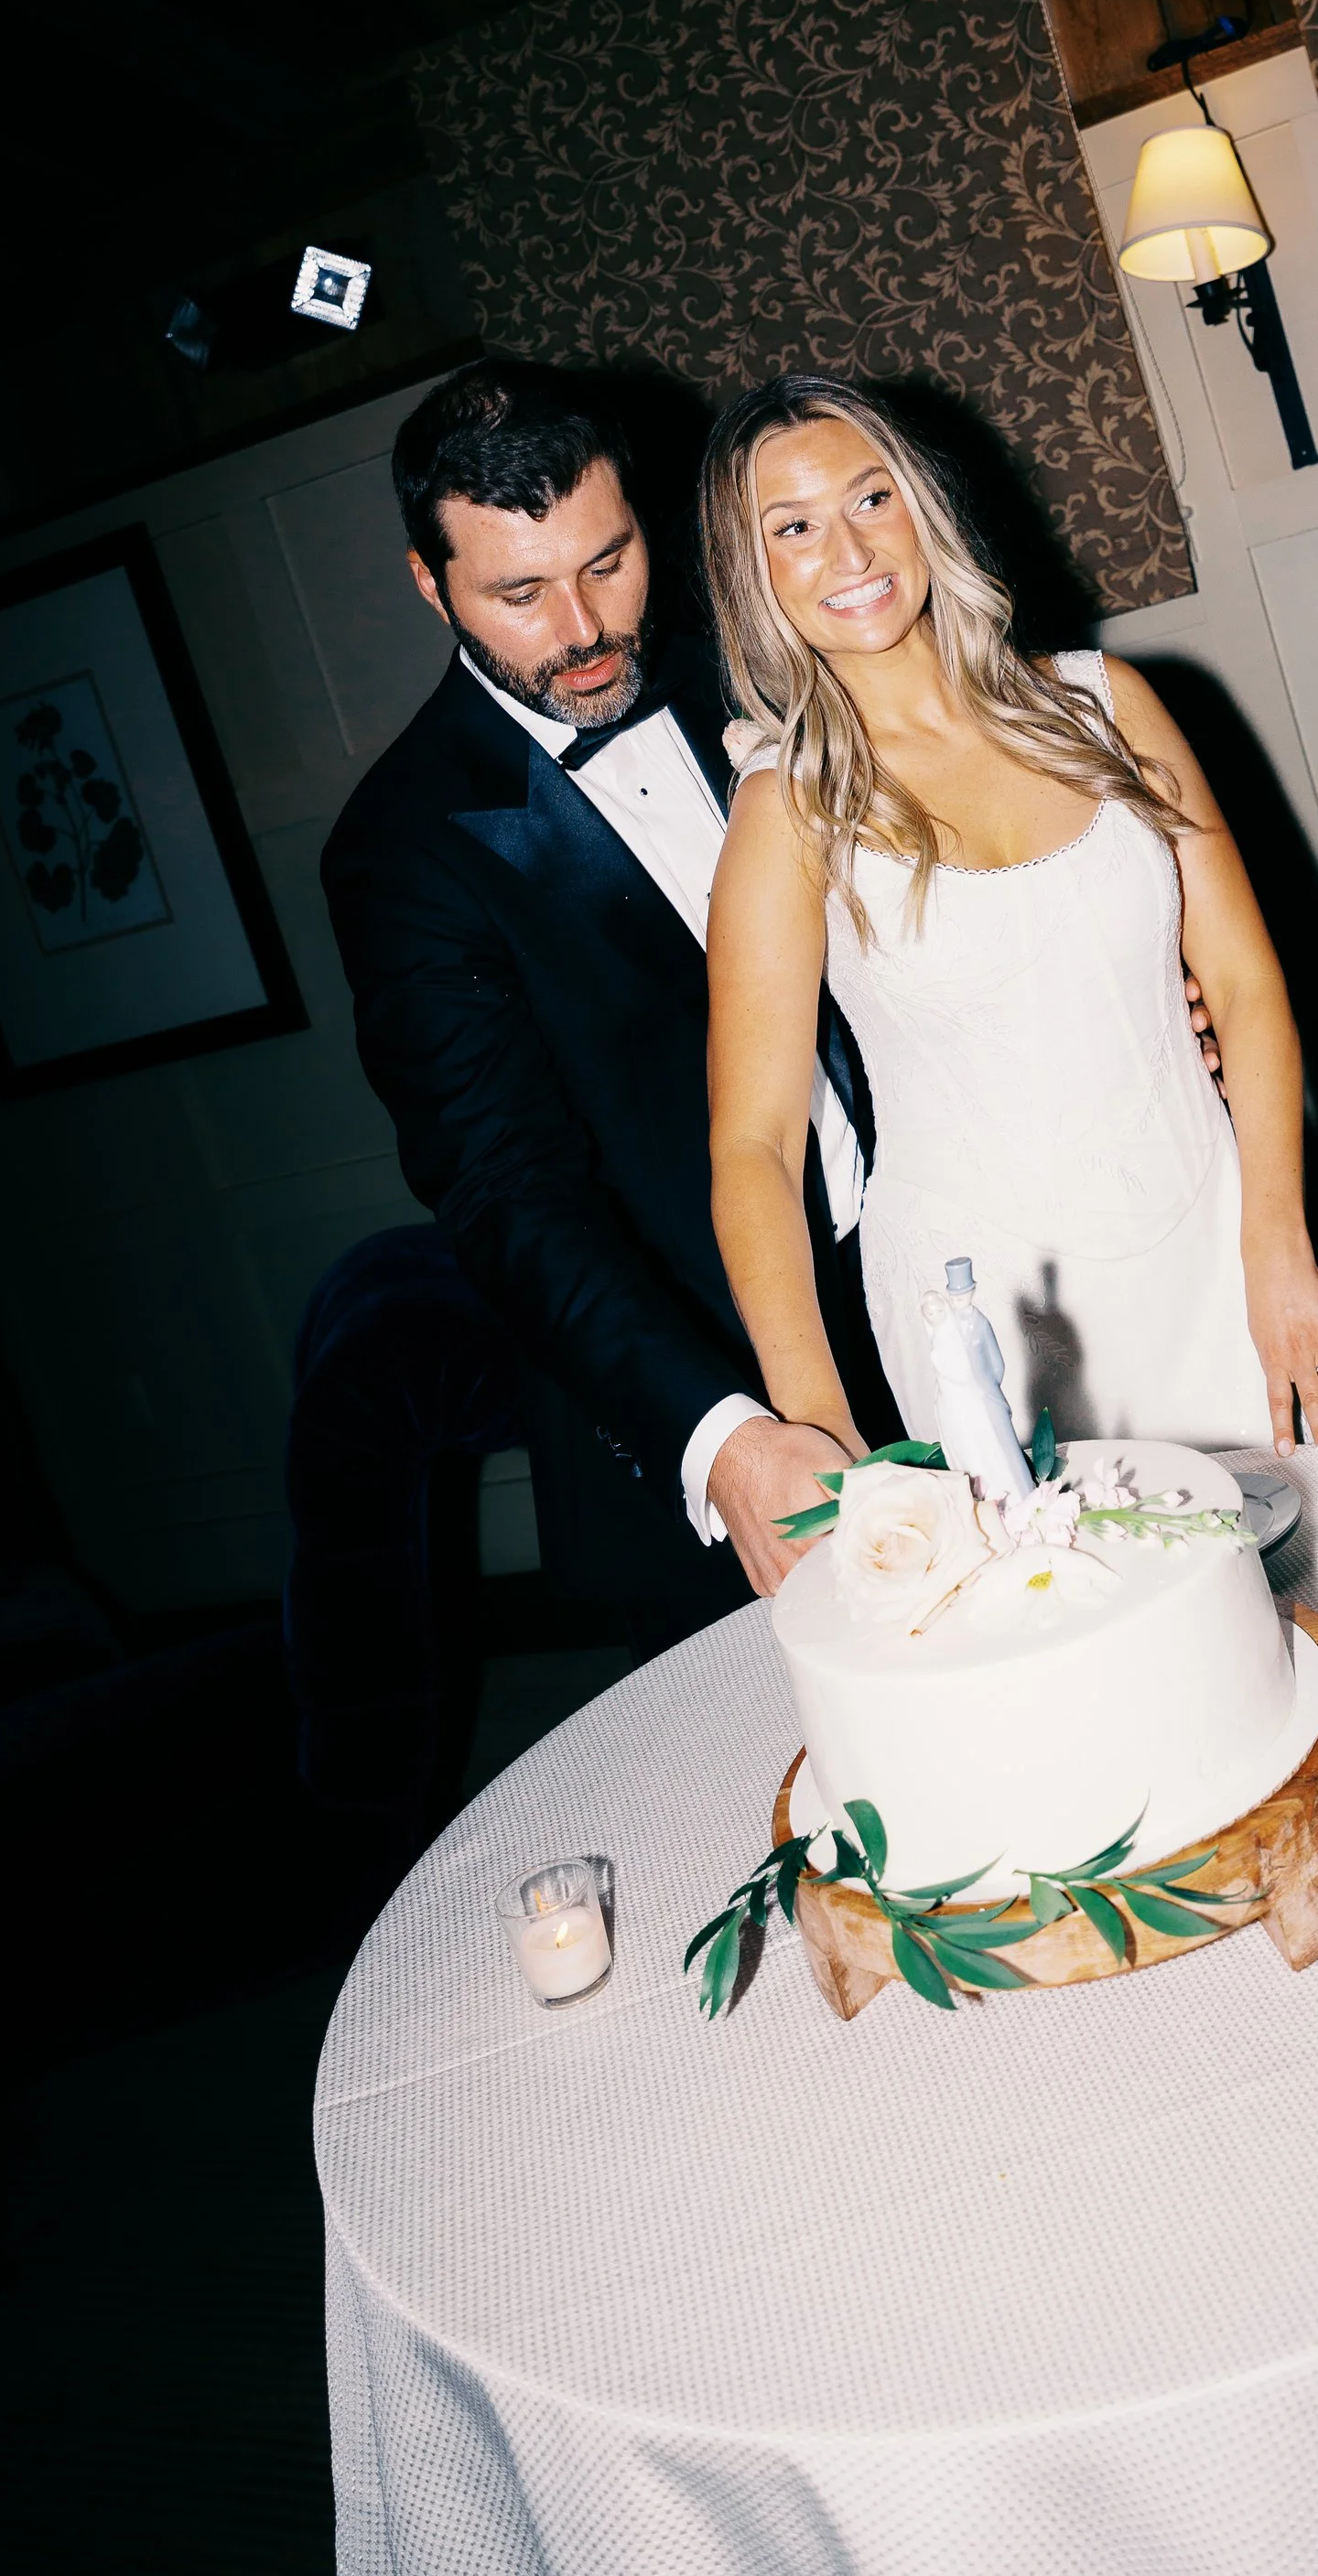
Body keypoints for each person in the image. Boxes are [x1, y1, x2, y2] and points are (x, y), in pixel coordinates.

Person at [306, 367, 894, 1820]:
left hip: (939, 1284)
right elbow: (509, 1199)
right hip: (709, 1420)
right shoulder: (401, 852)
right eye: (519, 594)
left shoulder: (756, 676)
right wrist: (724, 1434)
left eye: (609, 563)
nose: (582, 632)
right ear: (428, 584)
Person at [702, 374, 1318, 1601]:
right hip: (991, 1323)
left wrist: (1276, 1240)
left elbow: (1245, 980)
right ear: (755, 577)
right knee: (1090, 1643)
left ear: (923, 507)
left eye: (871, 496)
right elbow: (752, 1143)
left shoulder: (1110, 703)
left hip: (1208, 1238)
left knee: (1314, 1605)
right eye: (791, 527)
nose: (845, 548)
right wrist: (821, 1423)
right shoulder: (784, 810)